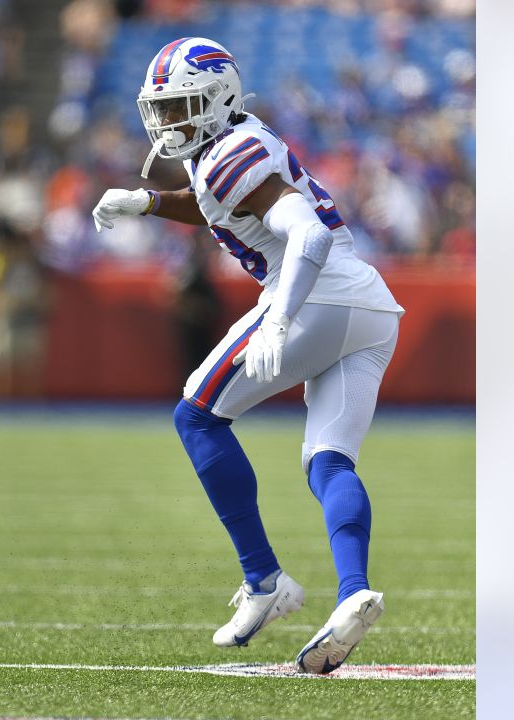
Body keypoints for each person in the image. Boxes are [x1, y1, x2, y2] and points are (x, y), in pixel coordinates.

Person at [91, 37, 405, 675]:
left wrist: (282, 318)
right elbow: (221, 206)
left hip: (316, 294)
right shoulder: (233, 144)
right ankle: (353, 594)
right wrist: (148, 202)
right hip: (371, 307)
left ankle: (264, 580)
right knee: (328, 462)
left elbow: (307, 233)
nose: (169, 123)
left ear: (218, 96)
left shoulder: (230, 151)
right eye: (164, 109)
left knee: (196, 416)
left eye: (182, 106)